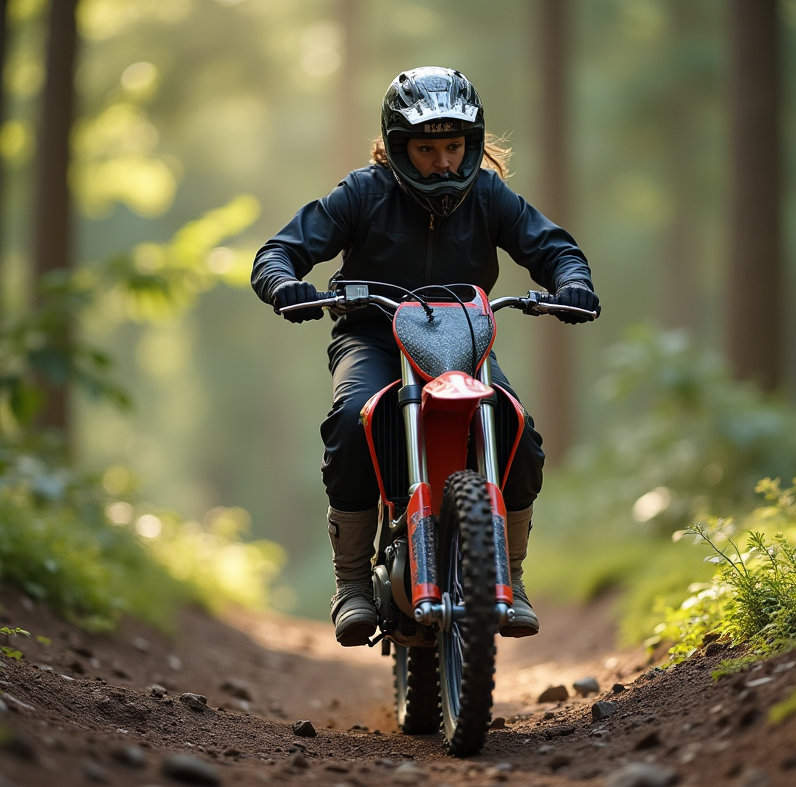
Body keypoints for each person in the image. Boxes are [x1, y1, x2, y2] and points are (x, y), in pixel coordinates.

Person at [251, 67, 599, 647]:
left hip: (466, 342)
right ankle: (352, 583)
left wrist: (573, 280)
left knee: (518, 429)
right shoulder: (362, 193)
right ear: (396, 147)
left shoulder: (489, 194)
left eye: (454, 146)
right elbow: (281, 249)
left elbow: (552, 245)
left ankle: (509, 577)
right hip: (374, 339)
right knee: (351, 418)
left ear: (473, 143)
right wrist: (283, 281)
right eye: (427, 148)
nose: (443, 162)